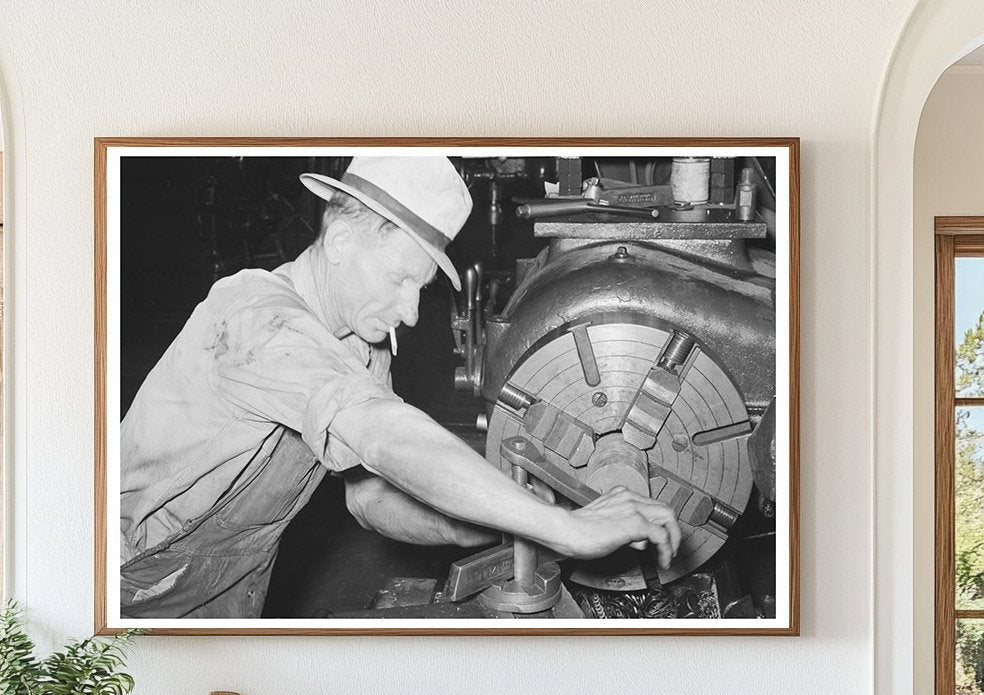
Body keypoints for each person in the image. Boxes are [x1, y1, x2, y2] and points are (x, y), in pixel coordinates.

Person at [119, 155, 682, 618]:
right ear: (340, 240)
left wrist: (480, 522)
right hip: (129, 582)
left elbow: (371, 496)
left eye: (421, 287)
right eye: (399, 279)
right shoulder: (255, 321)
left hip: (236, 583)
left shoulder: (362, 344)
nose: (411, 313)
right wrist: (566, 529)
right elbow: (384, 436)